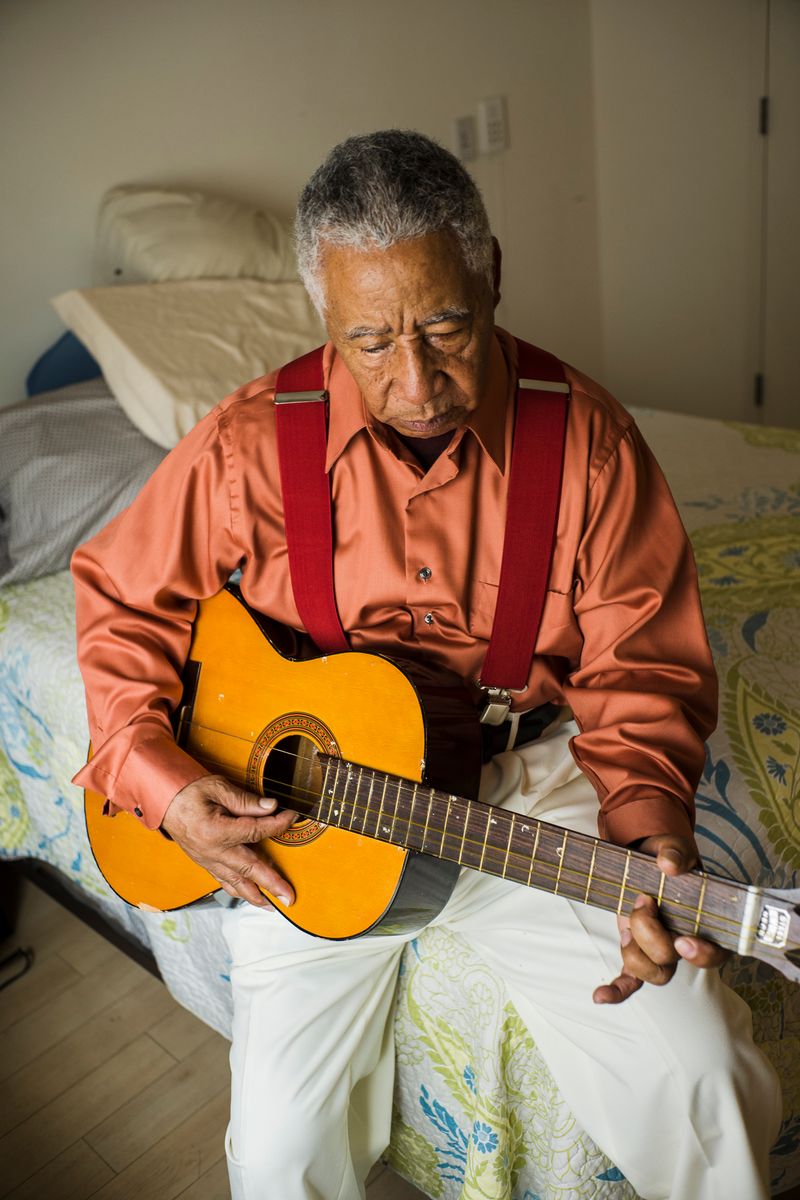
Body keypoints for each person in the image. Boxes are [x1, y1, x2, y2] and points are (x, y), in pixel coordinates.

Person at [72, 131, 781, 1200]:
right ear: (324, 321)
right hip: (307, 831)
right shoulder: (248, 445)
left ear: (492, 272)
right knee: (273, 1158)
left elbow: (641, 667)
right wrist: (164, 791)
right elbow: (119, 595)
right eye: (368, 342)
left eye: (445, 325)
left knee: (704, 1085)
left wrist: (651, 844)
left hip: (519, 787)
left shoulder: (588, 442)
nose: (415, 382)